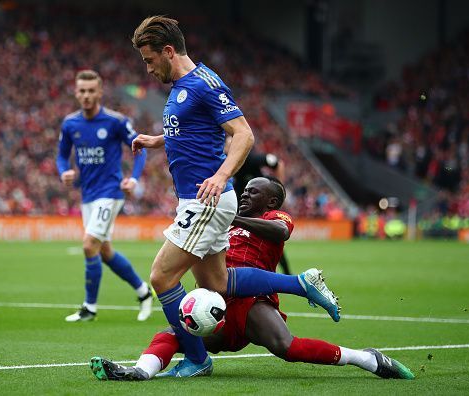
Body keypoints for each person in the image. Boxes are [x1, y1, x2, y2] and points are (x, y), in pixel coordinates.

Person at [130, 16, 340, 377]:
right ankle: (300, 283)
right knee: (218, 283)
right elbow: (195, 129)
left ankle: (197, 359)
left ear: (168, 51)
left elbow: (243, 134)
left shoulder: (204, 83)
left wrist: (221, 175)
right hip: (196, 199)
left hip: (206, 200)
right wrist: (158, 139)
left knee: (162, 278)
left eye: (149, 60)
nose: (148, 69)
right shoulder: (183, 87)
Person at [89, 177, 414, 380]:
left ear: (270, 201)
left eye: (252, 192)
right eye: (243, 191)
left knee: (286, 347)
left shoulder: (275, 216)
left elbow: (280, 231)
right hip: (214, 302)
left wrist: (233, 216)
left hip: (253, 301)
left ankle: (365, 359)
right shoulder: (222, 224)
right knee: (173, 333)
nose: (244, 195)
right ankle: (140, 372)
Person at [56, 70, 153, 322]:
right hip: (87, 194)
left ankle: (90, 308)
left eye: (91, 91)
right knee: (104, 251)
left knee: (89, 245)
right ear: (76, 93)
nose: (86, 95)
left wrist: (133, 177)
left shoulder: (115, 122)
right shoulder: (70, 124)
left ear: (99, 92)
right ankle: (144, 292)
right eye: (82, 91)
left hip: (110, 192)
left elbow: (140, 149)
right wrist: (64, 170)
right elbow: (61, 154)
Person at [232, 147, 292, 275]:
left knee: (271, 243)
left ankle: (288, 275)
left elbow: (278, 163)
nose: (225, 147)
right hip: (240, 211)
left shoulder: (254, 159)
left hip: (257, 209)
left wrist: (279, 189)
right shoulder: (225, 163)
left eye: (228, 143)